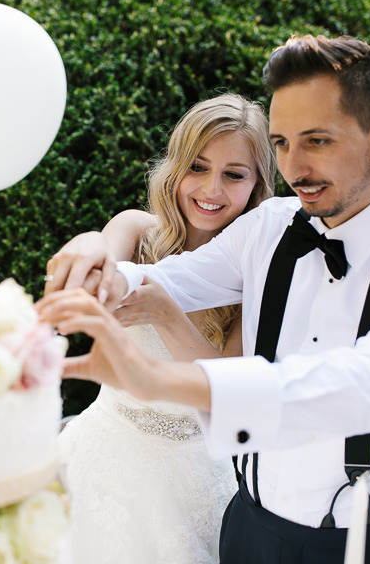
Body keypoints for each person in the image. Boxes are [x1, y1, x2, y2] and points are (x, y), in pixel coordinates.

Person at [39, 35, 370, 564]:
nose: (294, 166)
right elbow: (174, 278)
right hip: (247, 525)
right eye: (280, 143)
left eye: (317, 140)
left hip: (364, 538)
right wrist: (99, 263)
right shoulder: (271, 226)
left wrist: (160, 379)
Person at [47, 93, 276, 563]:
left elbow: (226, 386)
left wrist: (165, 313)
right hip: (105, 452)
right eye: (198, 167)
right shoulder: (139, 232)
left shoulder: (260, 275)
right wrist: (90, 247)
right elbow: (102, 252)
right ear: (174, 168)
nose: (212, 189)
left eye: (233, 175)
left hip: (195, 474)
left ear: (255, 188)